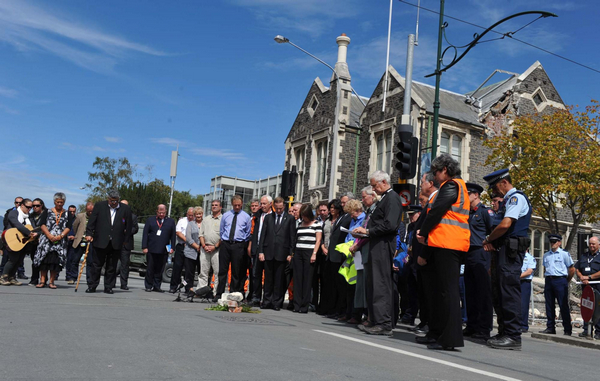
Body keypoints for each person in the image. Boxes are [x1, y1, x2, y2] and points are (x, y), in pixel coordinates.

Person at [416, 154, 470, 350]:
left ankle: (450, 338)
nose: (435, 176)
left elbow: (437, 211)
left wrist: (423, 231)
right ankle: (437, 333)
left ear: (445, 170)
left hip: (449, 243)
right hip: (446, 243)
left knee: (448, 292)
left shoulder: (451, 185)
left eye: (437, 172)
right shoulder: (457, 186)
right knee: (442, 292)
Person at [482, 168, 532, 350]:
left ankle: (513, 335)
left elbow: (505, 224)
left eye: (495, 188)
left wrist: (489, 239)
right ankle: (504, 331)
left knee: (509, 292)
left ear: (504, 182)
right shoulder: (506, 201)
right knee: (499, 292)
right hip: (502, 251)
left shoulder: (516, 198)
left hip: (510, 253)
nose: (494, 193)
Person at [353, 170, 402, 336]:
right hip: (376, 243)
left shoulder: (392, 198)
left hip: (383, 244)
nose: (373, 189)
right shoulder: (384, 199)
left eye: (375, 186)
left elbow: (390, 225)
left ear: (383, 182)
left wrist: (367, 232)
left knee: (380, 283)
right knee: (373, 283)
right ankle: (374, 319)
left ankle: (383, 322)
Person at [408, 173, 439, 336]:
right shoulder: (429, 204)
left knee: (429, 292)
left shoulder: (434, 202)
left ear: (431, 183)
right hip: (419, 256)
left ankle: (429, 323)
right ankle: (426, 321)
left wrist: (424, 254)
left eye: (422, 182)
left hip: (427, 256)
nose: (420, 184)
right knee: (422, 291)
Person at [85, 190, 133, 294]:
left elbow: (129, 226)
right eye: (112, 201)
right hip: (100, 240)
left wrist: (126, 240)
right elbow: (92, 221)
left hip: (116, 242)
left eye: (116, 201)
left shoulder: (125, 209)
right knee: (96, 265)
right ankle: (92, 285)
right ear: (108, 199)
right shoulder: (99, 206)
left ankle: (108, 286)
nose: (114, 203)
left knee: (112, 266)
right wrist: (89, 233)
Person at [462, 182, 494, 340]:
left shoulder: (485, 212)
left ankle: (484, 327)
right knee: (470, 292)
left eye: (468, 194)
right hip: (468, 253)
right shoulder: (466, 213)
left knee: (483, 292)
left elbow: (493, 232)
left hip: (481, 253)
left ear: (476, 195)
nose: (465, 197)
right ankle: (472, 325)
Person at [258, 197, 296, 310]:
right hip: (268, 252)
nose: (278, 211)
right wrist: (261, 251)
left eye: (280, 208)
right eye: (277, 208)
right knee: (268, 279)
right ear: (274, 207)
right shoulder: (269, 218)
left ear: (284, 207)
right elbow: (263, 236)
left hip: (282, 253)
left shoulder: (289, 219)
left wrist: (290, 253)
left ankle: (276, 302)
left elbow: (292, 237)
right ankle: (266, 301)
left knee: (279, 280)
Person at [33, 193, 74, 289]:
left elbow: (68, 227)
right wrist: (48, 235)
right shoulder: (47, 211)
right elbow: (42, 224)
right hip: (46, 240)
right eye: (58, 202)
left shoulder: (67, 213)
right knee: (44, 261)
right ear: (54, 202)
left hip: (60, 241)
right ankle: (42, 281)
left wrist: (61, 236)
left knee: (55, 262)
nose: (59, 204)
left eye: (61, 202)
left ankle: (52, 281)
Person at [352, 186, 378, 328]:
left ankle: (371, 317)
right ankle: (367, 316)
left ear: (372, 196)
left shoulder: (375, 210)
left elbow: (370, 230)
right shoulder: (369, 211)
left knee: (371, 285)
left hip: (372, 250)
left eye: (364, 197)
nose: (362, 200)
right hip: (364, 251)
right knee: (365, 285)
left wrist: (359, 241)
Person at [321, 198, 351, 319]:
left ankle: (340, 309)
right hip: (331, 255)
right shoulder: (339, 218)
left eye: (344, 203)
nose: (343, 205)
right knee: (332, 283)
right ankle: (331, 308)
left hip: (339, 255)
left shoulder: (347, 217)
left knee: (339, 285)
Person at [216, 195, 251, 298]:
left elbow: (247, 232)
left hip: (238, 245)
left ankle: (233, 292)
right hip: (226, 244)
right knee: (222, 270)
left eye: (239, 205)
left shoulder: (246, 217)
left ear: (242, 204)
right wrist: (223, 239)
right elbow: (222, 229)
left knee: (236, 270)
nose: (237, 207)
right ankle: (219, 293)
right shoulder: (226, 215)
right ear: (232, 204)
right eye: (235, 205)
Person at [539, 234, 574, 335]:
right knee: (549, 305)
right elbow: (545, 268)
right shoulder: (546, 255)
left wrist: (567, 280)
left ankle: (567, 329)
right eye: (551, 242)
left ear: (559, 243)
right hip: (549, 280)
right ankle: (550, 327)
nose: (552, 244)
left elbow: (571, 269)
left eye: (555, 242)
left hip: (560, 280)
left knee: (563, 305)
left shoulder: (564, 254)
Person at [292, 203, 322, 313]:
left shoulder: (316, 224)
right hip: (299, 252)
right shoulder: (300, 224)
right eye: (302, 215)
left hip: (309, 252)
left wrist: (314, 253)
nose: (304, 217)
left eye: (305, 215)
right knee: (298, 279)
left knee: (307, 279)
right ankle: (297, 304)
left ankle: (304, 305)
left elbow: (318, 240)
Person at [1, 198, 38, 286]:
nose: (29, 209)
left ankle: (12, 277)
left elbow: (32, 227)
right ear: (22, 205)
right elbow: (16, 224)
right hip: (12, 238)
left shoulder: (29, 217)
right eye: (28, 207)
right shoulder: (14, 213)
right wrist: (28, 232)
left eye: (31, 207)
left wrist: (34, 233)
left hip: (23, 241)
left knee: (19, 260)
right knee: (12, 259)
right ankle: (3, 277)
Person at [339, 199, 365, 322]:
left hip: (357, 253)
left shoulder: (363, 219)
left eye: (352, 213)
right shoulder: (354, 220)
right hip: (350, 253)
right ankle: (348, 312)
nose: (351, 215)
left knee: (356, 285)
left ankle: (356, 314)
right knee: (348, 284)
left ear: (357, 210)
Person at [142, 204, 176, 292]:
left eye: (163, 212)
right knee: (150, 268)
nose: (161, 214)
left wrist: (172, 247)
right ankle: (148, 285)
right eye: (160, 212)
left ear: (166, 212)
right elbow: (145, 234)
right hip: (151, 248)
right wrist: (144, 246)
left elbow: (173, 236)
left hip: (163, 249)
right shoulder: (150, 220)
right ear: (157, 212)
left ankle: (157, 285)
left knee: (160, 269)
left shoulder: (171, 221)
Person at [249, 195, 273, 306]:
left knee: (268, 275)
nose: (262, 206)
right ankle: (256, 297)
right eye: (261, 204)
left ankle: (267, 299)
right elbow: (253, 232)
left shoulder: (273, 216)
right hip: (257, 248)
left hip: (268, 249)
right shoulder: (257, 216)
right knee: (255, 274)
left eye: (264, 204)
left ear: (270, 204)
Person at [575, 236, 600, 338]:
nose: (591, 246)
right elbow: (577, 268)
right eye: (590, 244)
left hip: (597, 286)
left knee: (598, 309)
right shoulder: (585, 256)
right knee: (586, 307)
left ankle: (598, 332)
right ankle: (586, 330)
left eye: (593, 244)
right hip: (585, 286)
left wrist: (589, 277)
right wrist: (581, 277)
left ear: (599, 244)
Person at [67, 202, 94, 285]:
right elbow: (74, 226)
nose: (90, 213)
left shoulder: (97, 217)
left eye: (92, 211)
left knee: (90, 262)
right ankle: (72, 277)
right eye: (89, 211)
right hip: (80, 241)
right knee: (75, 260)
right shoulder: (80, 216)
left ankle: (90, 279)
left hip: (90, 242)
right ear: (86, 210)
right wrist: (78, 235)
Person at [199, 200, 222, 296]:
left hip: (217, 249)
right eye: (212, 205)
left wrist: (215, 246)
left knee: (217, 272)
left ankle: (216, 293)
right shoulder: (206, 219)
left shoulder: (223, 219)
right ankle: (201, 291)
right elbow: (201, 235)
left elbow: (224, 236)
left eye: (216, 205)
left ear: (221, 207)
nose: (214, 207)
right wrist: (204, 246)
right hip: (205, 248)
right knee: (203, 272)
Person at [170, 207, 195, 293]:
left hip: (191, 248)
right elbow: (178, 232)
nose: (190, 217)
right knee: (177, 267)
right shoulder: (182, 221)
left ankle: (188, 288)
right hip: (181, 246)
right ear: (186, 214)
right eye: (189, 215)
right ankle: (173, 286)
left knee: (189, 269)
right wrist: (188, 240)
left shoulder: (196, 222)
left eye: (192, 215)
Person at [311, 200, 329, 311]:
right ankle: (313, 303)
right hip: (315, 253)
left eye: (324, 210)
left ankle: (323, 304)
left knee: (324, 279)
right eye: (320, 210)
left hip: (325, 253)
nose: (322, 212)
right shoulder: (315, 221)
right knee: (314, 279)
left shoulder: (330, 221)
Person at [116, 200, 138, 290]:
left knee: (125, 265)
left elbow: (135, 228)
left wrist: (127, 231)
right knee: (112, 264)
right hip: (116, 242)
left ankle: (123, 284)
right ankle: (110, 283)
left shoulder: (132, 216)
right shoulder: (115, 215)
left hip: (126, 244)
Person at [183, 206, 203, 294]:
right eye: (197, 214)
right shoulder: (191, 224)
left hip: (202, 252)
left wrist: (202, 247)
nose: (198, 216)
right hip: (190, 251)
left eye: (200, 214)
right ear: (194, 215)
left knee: (201, 272)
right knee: (189, 272)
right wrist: (197, 247)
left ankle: (200, 290)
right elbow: (188, 238)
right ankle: (189, 289)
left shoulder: (205, 224)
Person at [27, 198, 47, 286]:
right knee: (34, 260)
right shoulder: (30, 216)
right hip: (33, 241)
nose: (35, 207)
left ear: (41, 205)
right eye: (33, 206)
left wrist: (38, 234)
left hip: (43, 240)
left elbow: (49, 227)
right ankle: (34, 279)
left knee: (43, 261)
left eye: (37, 205)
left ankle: (44, 279)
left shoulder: (47, 215)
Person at [520, 249, 536, 333]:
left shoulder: (530, 258)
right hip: (516, 281)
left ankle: (523, 325)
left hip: (524, 282)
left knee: (523, 304)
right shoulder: (517, 256)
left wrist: (517, 276)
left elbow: (529, 271)